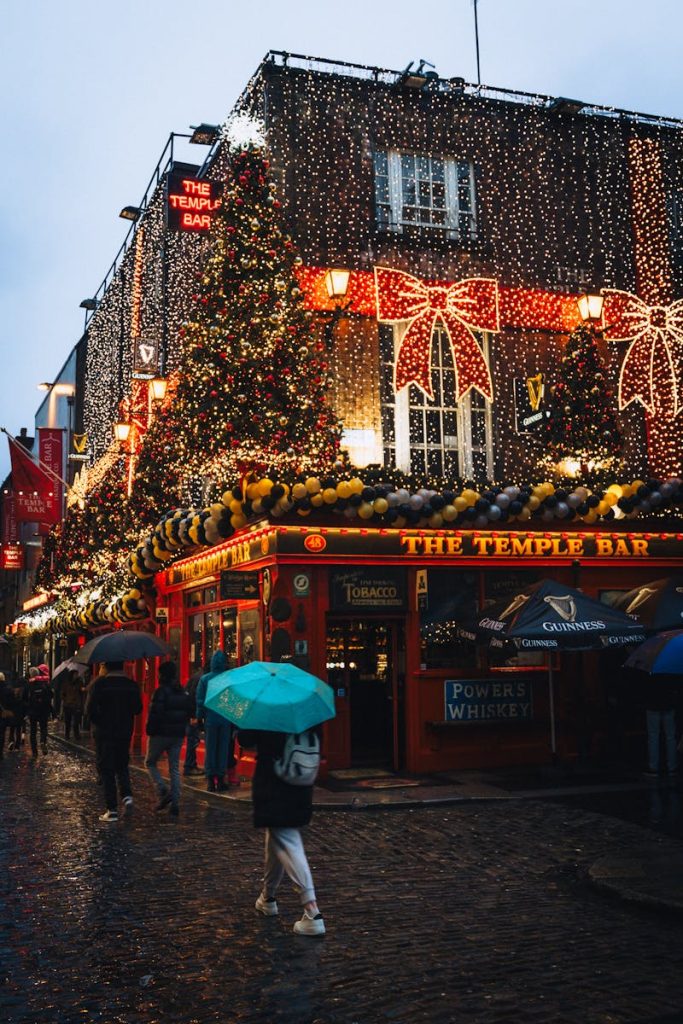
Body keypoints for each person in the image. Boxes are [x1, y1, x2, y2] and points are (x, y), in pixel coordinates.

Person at [239, 728, 325, 937]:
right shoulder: (306, 705)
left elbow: (246, 739)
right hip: (301, 782)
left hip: (275, 782)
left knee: (287, 839)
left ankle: (312, 911)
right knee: (276, 836)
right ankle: (268, 897)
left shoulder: (268, 707)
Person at [85, 661, 142, 822]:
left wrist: (100, 722)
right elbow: (138, 708)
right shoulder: (131, 685)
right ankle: (127, 796)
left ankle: (112, 809)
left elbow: (89, 710)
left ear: (106, 667)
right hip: (124, 732)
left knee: (107, 770)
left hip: (105, 733)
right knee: (122, 765)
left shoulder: (100, 684)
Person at [145, 661, 193, 817]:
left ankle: (162, 789)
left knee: (150, 762)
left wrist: (150, 730)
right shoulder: (182, 692)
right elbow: (190, 711)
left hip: (161, 733)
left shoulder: (161, 692)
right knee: (174, 768)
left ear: (162, 675)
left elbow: (155, 714)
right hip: (177, 734)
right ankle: (175, 803)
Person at [195, 651, 235, 792]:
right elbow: (232, 700)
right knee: (223, 749)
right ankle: (221, 779)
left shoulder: (205, 679)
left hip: (210, 719)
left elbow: (200, 701)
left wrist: (199, 718)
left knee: (211, 748)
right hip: (225, 718)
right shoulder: (228, 679)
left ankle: (211, 780)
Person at [644, 674, 679, 780]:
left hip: (653, 704)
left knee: (653, 736)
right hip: (668, 703)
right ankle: (672, 766)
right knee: (670, 737)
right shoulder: (671, 670)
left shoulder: (650, 671)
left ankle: (654, 767)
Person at [183, 664, 205, 777]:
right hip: (192, 714)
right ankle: (189, 766)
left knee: (193, 739)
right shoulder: (201, 678)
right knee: (193, 740)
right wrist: (194, 716)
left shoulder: (198, 676)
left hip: (190, 712)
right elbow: (193, 697)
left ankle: (191, 765)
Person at [26, 664, 54, 757]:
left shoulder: (29, 684)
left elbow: (25, 698)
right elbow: (51, 695)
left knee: (33, 731)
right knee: (43, 728)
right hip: (43, 710)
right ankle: (42, 741)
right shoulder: (45, 684)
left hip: (33, 711)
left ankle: (34, 752)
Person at [61, 669, 85, 741]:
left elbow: (82, 693)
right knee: (67, 721)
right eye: (75, 674)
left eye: (77, 674)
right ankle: (67, 735)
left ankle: (76, 735)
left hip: (76, 704)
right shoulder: (66, 683)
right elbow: (62, 694)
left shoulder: (80, 682)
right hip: (68, 705)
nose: (76, 675)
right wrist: (65, 700)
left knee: (76, 722)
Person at [0, 673, 16, 758]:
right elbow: (12, 702)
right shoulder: (8, 689)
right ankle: (0, 752)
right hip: (4, 714)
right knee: (2, 733)